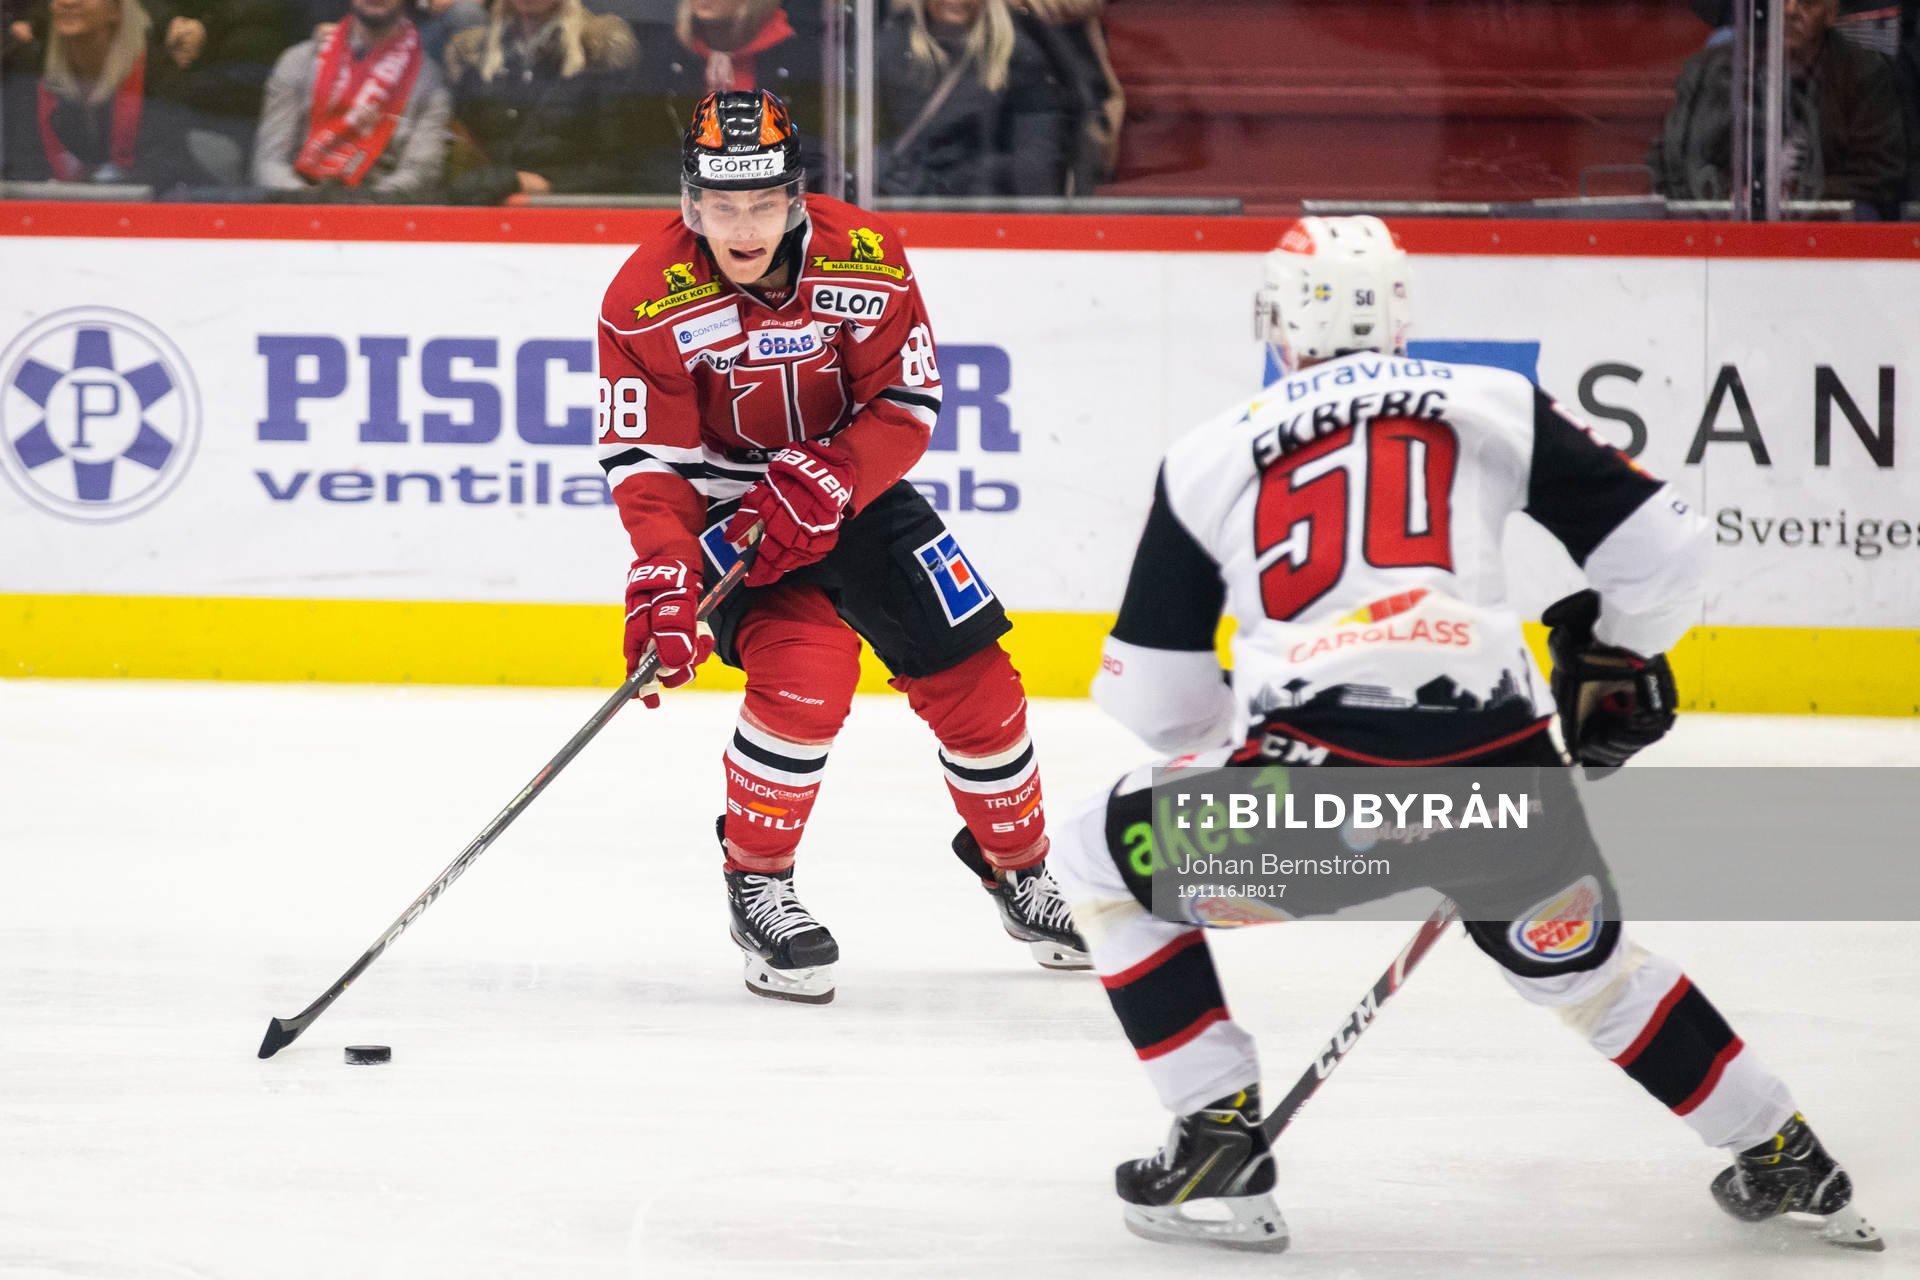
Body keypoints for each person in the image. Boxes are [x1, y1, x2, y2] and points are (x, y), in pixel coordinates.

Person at [1044, 216, 1883, 1253]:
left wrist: (1251, 743)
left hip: (1313, 801)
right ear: (1402, 313)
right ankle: (1783, 1148)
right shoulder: (1490, 399)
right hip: (1503, 774)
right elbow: (1663, 555)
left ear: (1274, 322)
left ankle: (1215, 1126)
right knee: (1580, 964)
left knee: (1092, 851)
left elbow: (1154, 701)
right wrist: (1615, 658)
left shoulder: (1209, 452)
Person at [593, 89, 1087, 1005]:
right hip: (735, 518)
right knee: (805, 676)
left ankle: (1018, 868)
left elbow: (906, 404)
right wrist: (663, 569)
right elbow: (647, 462)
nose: (744, 228)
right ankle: (760, 885)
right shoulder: (643, 294)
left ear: (796, 196)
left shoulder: (867, 252)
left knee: (977, 680)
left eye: (763, 203)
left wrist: (838, 475)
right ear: (691, 203)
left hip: (856, 490)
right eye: (722, 206)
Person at [1653, 0, 1906, 216]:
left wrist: (1792, 195)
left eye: (1807, 2)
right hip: (1725, 223)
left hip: (1828, 226)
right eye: (1780, 0)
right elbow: (1670, 161)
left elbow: (1878, 175)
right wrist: (1732, 192)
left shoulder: (1863, 73)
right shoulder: (1707, 69)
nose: (1790, 10)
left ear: (1830, 12)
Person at [441, 0, 639, 203]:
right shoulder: (476, 58)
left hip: (572, 214)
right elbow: (460, 154)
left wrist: (549, 187)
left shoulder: (598, 53)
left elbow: (621, 165)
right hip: (488, 208)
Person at [1, 0, 213, 187]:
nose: (68, 2)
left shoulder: (156, 73)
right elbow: (25, 165)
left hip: (156, 212)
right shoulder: (33, 75)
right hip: (54, 216)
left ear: (116, 9)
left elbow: (164, 165)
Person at [874, 0, 1075, 197]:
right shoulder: (889, 46)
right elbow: (861, 135)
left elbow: (1035, 162)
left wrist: (949, 181)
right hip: (901, 211)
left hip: (985, 214)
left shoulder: (1019, 56)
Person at [252, 0, 450, 197]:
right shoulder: (299, 60)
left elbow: (420, 172)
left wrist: (363, 207)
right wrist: (310, 203)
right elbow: (270, 162)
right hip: (298, 203)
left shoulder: (428, 79)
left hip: (381, 210)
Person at [630, 0, 824, 194]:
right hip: (679, 204)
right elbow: (639, 155)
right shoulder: (663, 56)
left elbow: (816, 156)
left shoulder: (802, 57)